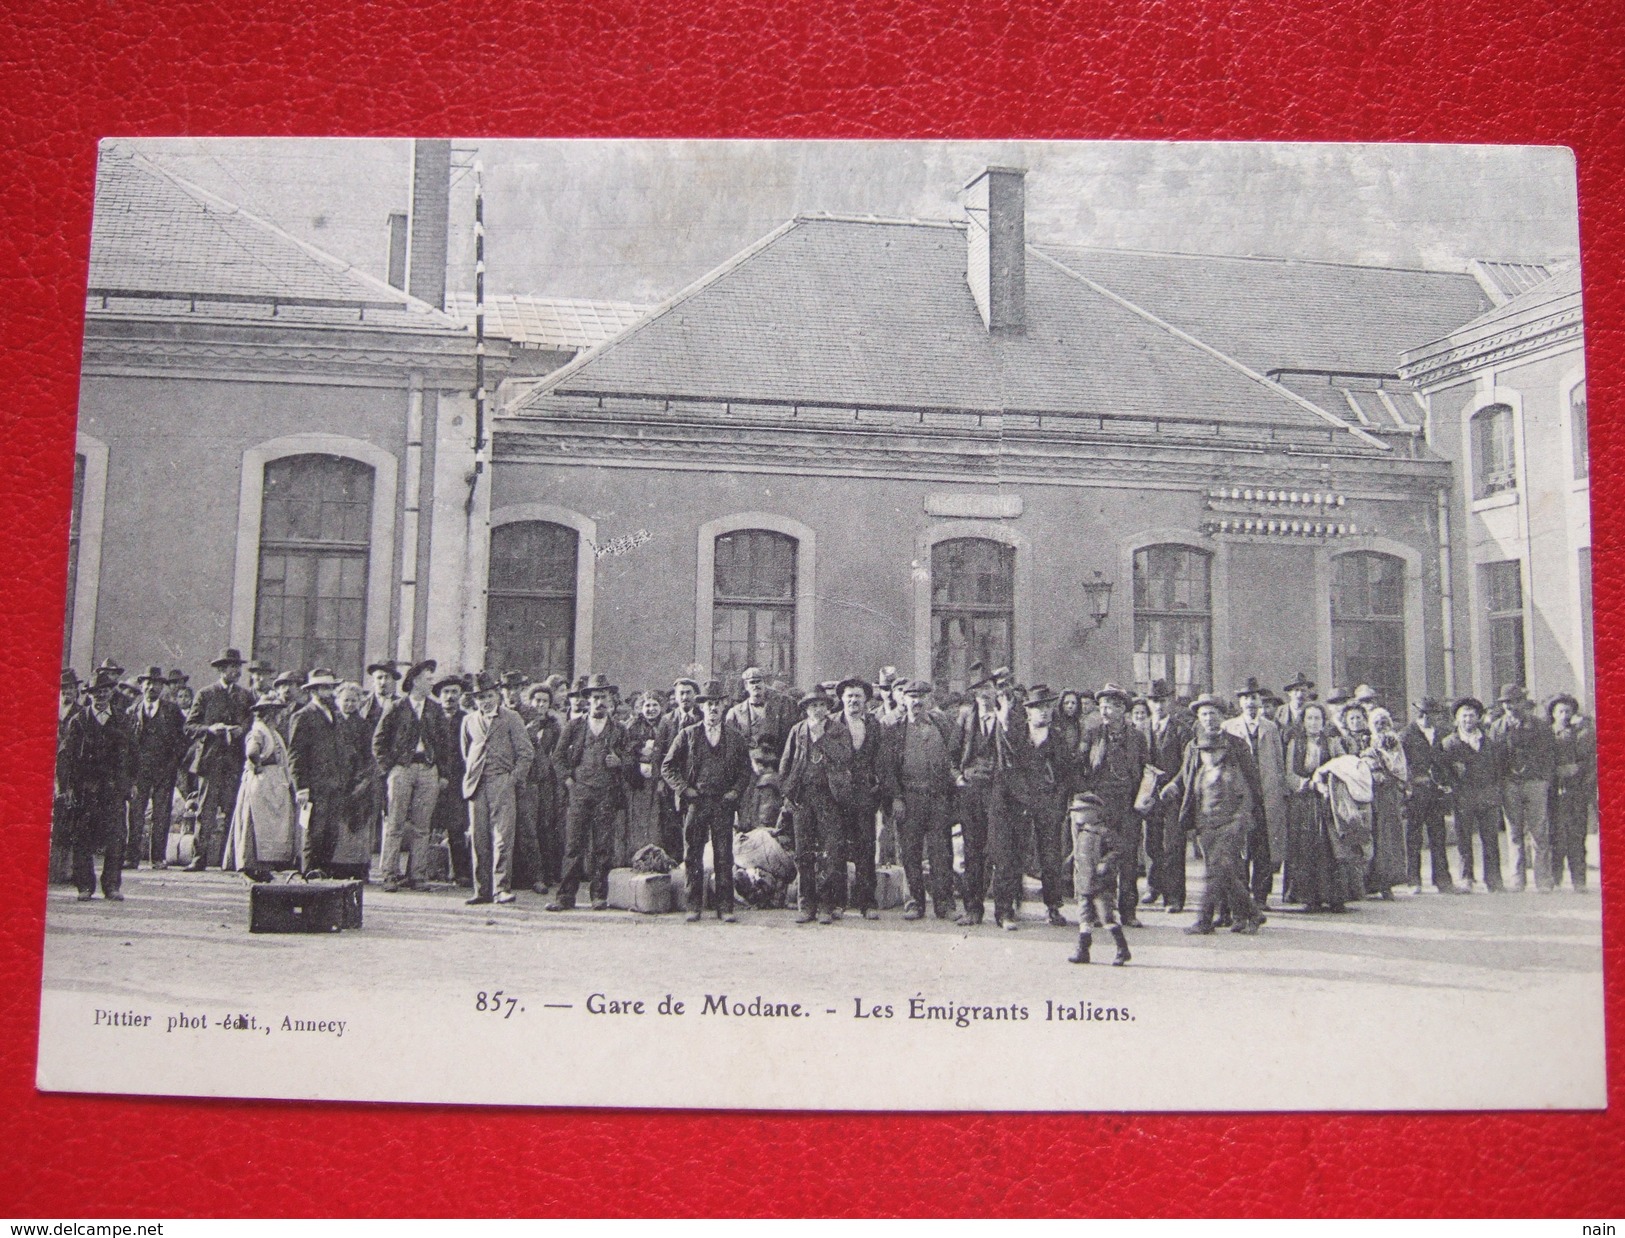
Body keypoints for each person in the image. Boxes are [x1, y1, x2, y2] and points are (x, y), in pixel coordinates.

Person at [1160, 694, 1266, 936]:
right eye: (1204, 714)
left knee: (1226, 868)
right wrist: (1174, 786)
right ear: (1198, 718)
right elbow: (1186, 774)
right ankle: (1233, 914)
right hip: (1204, 819)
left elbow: (1250, 783)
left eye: (1213, 713)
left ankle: (1227, 917)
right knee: (1220, 870)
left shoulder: (1236, 745)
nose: (1209, 718)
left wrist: (1247, 816)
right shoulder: (1194, 745)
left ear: (1222, 717)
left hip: (1229, 820)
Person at [662, 679, 753, 922]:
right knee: (693, 853)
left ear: (724, 707)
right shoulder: (688, 735)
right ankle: (693, 905)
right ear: (701, 707)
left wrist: (735, 792)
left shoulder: (735, 738)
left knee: (724, 854)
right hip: (696, 802)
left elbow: (746, 771)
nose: (713, 709)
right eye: (708, 704)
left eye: (717, 704)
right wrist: (684, 789)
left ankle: (725, 907)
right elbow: (668, 767)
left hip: (723, 803)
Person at [951, 667, 1029, 929]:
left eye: (988, 689)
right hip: (971, 790)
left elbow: (1018, 748)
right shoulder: (965, 717)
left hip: (999, 790)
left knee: (1001, 853)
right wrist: (958, 777)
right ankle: (973, 910)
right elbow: (952, 756)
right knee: (972, 853)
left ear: (996, 690)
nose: (984, 695)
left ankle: (1004, 913)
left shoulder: (1010, 715)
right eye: (978, 690)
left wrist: (1005, 717)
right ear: (972, 694)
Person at [876, 679, 960, 921]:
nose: (917, 702)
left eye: (922, 697)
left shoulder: (941, 725)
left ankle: (944, 903)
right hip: (909, 798)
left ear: (930, 701)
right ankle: (915, 903)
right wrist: (896, 798)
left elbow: (954, 756)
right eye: (912, 697)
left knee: (941, 852)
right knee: (910, 853)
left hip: (937, 799)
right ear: (904, 700)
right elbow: (888, 769)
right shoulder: (895, 730)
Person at [549, 674, 630, 911]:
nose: (599, 702)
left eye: (603, 697)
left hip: (606, 794)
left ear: (610, 700)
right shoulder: (575, 727)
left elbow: (631, 758)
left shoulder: (619, 730)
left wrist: (620, 761)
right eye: (595, 697)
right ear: (588, 700)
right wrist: (568, 780)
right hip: (579, 793)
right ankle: (565, 897)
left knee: (603, 847)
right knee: (573, 846)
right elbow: (558, 757)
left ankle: (598, 895)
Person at [372, 659, 453, 892]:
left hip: (428, 769)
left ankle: (417, 875)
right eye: (428, 680)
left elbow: (445, 745)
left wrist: (443, 773)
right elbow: (378, 741)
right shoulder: (397, 707)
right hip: (402, 769)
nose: (431, 684)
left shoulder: (435, 709)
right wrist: (389, 768)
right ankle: (389, 873)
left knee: (422, 826)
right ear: (415, 680)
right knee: (395, 822)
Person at [780, 689, 855, 924]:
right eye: (813, 706)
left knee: (829, 853)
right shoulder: (798, 730)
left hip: (829, 798)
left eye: (821, 705)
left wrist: (821, 737)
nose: (817, 710)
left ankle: (826, 905)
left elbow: (845, 757)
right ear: (806, 709)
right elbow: (786, 762)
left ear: (828, 708)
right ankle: (806, 905)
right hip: (803, 798)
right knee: (803, 853)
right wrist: (786, 792)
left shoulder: (838, 730)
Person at [461, 670, 536, 905]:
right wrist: (474, 774)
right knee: (478, 837)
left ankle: (501, 888)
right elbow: (467, 751)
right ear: (475, 700)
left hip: (502, 782)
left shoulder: (511, 718)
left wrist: (512, 779)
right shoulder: (469, 720)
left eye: (489, 695)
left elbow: (526, 753)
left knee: (503, 837)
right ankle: (481, 890)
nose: (485, 701)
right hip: (477, 784)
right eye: (480, 697)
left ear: (497, 695)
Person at [61, 667, 134, 901]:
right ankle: (85, 886)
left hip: (113, 789)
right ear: (89, 695)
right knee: (82, 837)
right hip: (86, 789)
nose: (100, 696)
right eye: (96, 693)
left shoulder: (122, 720)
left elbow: (133, 755)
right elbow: (67, 756)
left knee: (115, 837)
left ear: (111, 693)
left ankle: (111, 885)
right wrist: (68, 787)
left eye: (105, 691)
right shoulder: (79, 721)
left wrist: (131, 783)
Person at [1081, 683, 1147, 928]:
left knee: (1128, 859)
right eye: (1103, 706)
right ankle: (1102, 912)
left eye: (1111, 706)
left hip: (1128, 805)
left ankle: (1129, 912)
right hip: (1100, 805)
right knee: (1101, 859)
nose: (1106, 711)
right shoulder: (1093, 733)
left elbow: (1147, 769)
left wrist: (1144, 798)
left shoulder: (1137, 737)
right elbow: (1080, 765)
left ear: (1122, 710)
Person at [184, 648, 255, 871]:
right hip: (210, 762)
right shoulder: (206, 694)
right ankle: (199, 858)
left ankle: (229, 859)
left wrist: (240, 731)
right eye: (232, 667)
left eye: (238, 667)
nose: (236, 671)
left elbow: (251, 723)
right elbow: (189, 726)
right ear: (222, 670)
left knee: (233, 809)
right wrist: (210, 729)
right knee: (206, 811)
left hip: (235, 762)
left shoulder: (245, 696)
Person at [1008, 684, 1073, 926]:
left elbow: (1066, 775)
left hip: (1049, 804)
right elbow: (1010, 771)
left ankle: (1053, 906)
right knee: (1017, 853)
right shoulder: (1018, 736)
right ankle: (1015, 902)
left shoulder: (1057, 738)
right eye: (1037, 708)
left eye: (1046, 707)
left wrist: (1059, 804)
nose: (1042, 712)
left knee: (1051, 857)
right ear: (1028, 712)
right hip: (1022, 804)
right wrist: (1021, 798)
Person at [1222, 677, 1288, 908]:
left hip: (1266, 796)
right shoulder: (1229, 728)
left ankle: (1261, 896)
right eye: (1246, 698)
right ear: (1240, 703)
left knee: (1264, 848)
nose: (1251, 703)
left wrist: (1279, 791)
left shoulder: (1270, 728)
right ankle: (1242, 895)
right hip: (1241, 797)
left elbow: (1279, 764)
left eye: (1254, 698)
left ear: (1260, 701)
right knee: (1242, 847)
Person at [1282, 702, 1352, 911]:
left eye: (1317, 719)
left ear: (1324, 722)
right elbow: (1289, 775)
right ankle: (1310, 897)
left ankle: (1335, 896)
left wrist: (1328, 781)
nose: (1313, 723)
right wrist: (1310, 784)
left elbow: (1344, 767)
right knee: (1307, 848)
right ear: (1303, 722)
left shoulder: (1331, 742)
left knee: (1331, 847)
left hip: (1327, 800)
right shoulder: (1296, 743)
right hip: (1303, 802)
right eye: (1309, 718)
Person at [223, 694, 298, 879]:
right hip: (262, 780)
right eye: (276, 713)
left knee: (270, 824)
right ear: (268, 714)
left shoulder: (273, 732)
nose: (279, 717)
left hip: (274, 781)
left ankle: (266, 864)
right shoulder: (258, 731)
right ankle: (251, 864)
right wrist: (257, 764)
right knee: (256, 822)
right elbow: (252, 751)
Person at [1491, 683, 1556, 891]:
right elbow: (1493, 759)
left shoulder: (1540, 726)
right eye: (1506, 703)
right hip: (1510, 784)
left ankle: (1543, 879)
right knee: (1514, 833)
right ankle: (1517, 879)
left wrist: (1544, 780)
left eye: (1515, 702)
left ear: (1523, 703)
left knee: (1539, 832)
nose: (1511, 707)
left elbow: (1549, 755)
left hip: (1535, 782)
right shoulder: (1497, 728)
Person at [287, 669, 349, 876]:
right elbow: (295, 754)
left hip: (335, 784)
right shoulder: (303, 716)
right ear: (313, 691)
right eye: (324, 688)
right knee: (314, 830)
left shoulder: (335, 716)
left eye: (331, 687)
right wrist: (301, 787)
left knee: (331, 831)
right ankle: (310, 872)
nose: (329, 692)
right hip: (314, 785)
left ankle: (324, 871)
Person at [125, 666, 187, 869]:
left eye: (156, 684)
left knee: (161, 814)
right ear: (141, 685)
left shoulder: (172, 711)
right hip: (138, 772)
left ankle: (158, 858)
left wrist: (173, 764)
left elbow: (181, 740)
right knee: (135, 814)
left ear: (162, 687)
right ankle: (132, 857)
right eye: (148, 683)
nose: (152, 687)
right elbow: (126, 744)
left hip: (164, 771)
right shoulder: (131, 711)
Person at [1441, 696, 1504, 893]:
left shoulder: (1488, 741)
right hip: (1463, 797)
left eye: (1472, 716)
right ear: (1457, 719)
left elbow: (1498, 767)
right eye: (1464, 716)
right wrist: (1454, 788)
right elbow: (1445, 771)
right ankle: (1466, 877)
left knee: (1490, 838)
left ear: (1478, 718)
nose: (1468, 720)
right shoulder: (1449, 743)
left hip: (1487, 795)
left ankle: (1493, 880)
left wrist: (1494, 790)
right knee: (1463, 839)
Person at [1143, 679, 1193, 913]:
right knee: (1151, 842)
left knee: (1173, 845)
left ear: (1170, 702)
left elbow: (1188, 764)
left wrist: (1175, 785)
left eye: (1162, 701)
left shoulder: (1181, 730)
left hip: (1173, 796)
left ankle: (1174, 897)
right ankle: (1154, 887)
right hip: (1149, 794)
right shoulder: (1141, 729)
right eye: (1154, 701)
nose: (1158, 706)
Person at [836, 676, 884, 919]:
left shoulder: (875, 725)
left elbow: (881, 759)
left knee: (866, 847)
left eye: (858, 696)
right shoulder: (832, 724)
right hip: (838, 797)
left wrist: (876, 786)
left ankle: (867, 901)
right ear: (842, 700)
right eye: (849, 696)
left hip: (865, 796)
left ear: (866, 701)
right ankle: (838, 901)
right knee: (837, 847)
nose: (853, 700)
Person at [1066, 792, 1131, 966]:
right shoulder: (1082, 833)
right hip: (1085, 884)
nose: (1077, 815)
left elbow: (1119, 849)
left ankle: (1122, 949)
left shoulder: (1104, 833)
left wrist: (1105, 862)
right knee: (1084, 919)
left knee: (1106, 917)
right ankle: (1083, 950)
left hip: (1102, 885)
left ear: (1094, 812)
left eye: (1081, 811)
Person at [1400, 697, 1457, 894]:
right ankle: (1414, 880)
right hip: (1416, 792)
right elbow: (1402, 764)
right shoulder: (1407, 735)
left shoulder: (1441, 733)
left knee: (1438, 835)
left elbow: (1446, 760)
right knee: (1414, 837)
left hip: (1436, 791)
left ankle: (1442, 880)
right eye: (1435, 715)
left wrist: (1445, 782)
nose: (1438, 719)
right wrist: (1410, 785)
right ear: (1423, 715)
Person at [1359, 706, 1410, 899]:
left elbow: (1400, 769)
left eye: (1384, 723)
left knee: (1388, 837)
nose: (1380, 727)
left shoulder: (1394, 743)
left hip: (1388, 795)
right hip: (1370, 794)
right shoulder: (1366, 742)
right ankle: (1367, 882)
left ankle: (1387, 882)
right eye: (1376, 723)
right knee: (1370, 835)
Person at [329, 680, 377, 880]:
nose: (350, 704)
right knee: (338, 824)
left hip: (360, 779)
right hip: (338, 778)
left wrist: (364, 780)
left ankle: (358, 868)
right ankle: (337, 867)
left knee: (360, 823)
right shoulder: (332, 723)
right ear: (338, 700)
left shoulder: (365, 725)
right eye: (346, 700)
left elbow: (370, 754)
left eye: (354, 700)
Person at [1547, 693, 1595, 891]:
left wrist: (1576, 770)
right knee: (1556, 836)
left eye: (1568, 711)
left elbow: (1589, 761)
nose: (1565, 715)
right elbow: (1542, 760)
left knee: (1577, 836)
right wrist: (1556, 771)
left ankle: (1579, 880)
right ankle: (1555, 878)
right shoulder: (1546, 734)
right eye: (1560, 711)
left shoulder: (1581, 735)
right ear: (1553, 714)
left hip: (1576, 793)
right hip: (1553, 793)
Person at [431, 673, 473, 887]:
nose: (449, 697)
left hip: (457, 780)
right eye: (445, 692)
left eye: (454, 692)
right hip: (432, 775)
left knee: (457, 825)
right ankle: (424, 870)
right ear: (439, 695)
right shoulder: (430, 717)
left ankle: (462, 872)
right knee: (427, 823)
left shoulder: (466, 719)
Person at [725, 666, 794, 759]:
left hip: (772, 765)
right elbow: (731, 744)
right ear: (746, 685)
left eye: (759, 681)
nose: (756, 685)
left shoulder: (778, 710)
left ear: (764, 684)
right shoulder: (735, 712)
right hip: (747, 765)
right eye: (752, 682)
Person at [1276, 672, 1316, 740]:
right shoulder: (1280, 712)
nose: (1299, 694)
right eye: (1296, 690)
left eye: (1303, 690)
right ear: (1289, 693)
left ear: (1308, 692)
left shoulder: (1314, 710)